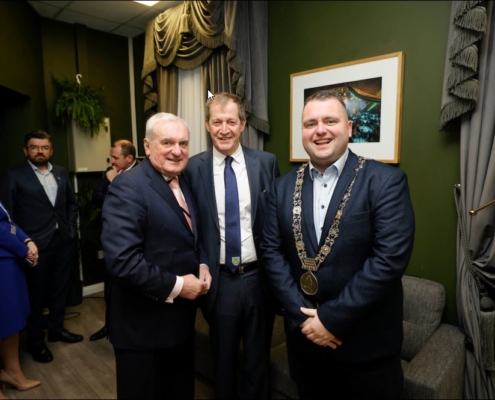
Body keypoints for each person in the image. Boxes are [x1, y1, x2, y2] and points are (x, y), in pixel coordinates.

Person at [261, 90, 415, 399]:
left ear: (349, 129)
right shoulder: (280, 189)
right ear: (302, 132)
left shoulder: (385, 182)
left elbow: (388, 260)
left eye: (330, 120)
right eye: (310, 123)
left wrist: (330, 320)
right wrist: (305, 319)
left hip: (365, 351)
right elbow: (271, 253)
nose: (320, 130)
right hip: (306, 349)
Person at [101, 113, 212, 399]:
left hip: (178, 324)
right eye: (168, 142)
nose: (177, 150)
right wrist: (178, 286)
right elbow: (122, 261)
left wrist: (201, 264)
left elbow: (188, 236)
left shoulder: (183, 179)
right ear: (147, 146)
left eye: (184, 143)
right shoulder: (129, 186)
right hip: (142, 329)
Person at [183, 92, 280, 399]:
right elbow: (190, 228)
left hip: (258, 279)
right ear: (208, 125)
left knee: (257, 360)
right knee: (222, 362)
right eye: (217, 122)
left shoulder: (266, 162)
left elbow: (275, 223)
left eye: (231, 122)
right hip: (219, 280)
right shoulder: (191, 168)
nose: (224, 129)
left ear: (243, 124)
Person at [0, 130, 82, 364]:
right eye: (34, 147)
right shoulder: (13, 176)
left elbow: (70, 205)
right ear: (26, 150)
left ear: (51, 150)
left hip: (63, 241)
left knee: (60, 289)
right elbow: (8, 217)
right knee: (36, 296)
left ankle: (56, 330)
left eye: (45, 147)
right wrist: (23, 244)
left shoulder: (60, 172)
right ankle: (36, 342)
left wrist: (71, 228)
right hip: (35, 246)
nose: (40, 151)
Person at [89, 139, 139, 342]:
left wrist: (113, 183)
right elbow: (96, 197)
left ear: (129, 158)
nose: (112, 161)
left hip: (135, 243)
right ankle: (110, 326)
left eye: (115, 157)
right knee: (110, 288)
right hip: (112, 241)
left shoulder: (141, 174)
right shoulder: (111, 171)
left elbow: (129, 204)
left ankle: (129, 330)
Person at [0, 201, 41, 399]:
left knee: (11, 321)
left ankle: (13, 373)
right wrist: (24, 250)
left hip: (8, 261)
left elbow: (7, 222)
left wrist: (26, 241)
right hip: (3, 259)